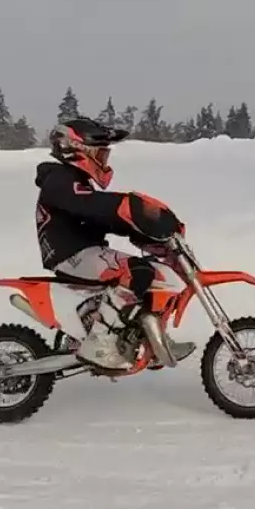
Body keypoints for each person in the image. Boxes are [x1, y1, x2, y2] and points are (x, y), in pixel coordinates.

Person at [34, 116, 196, 370]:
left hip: (83, 251)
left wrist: (146, 235)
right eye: (101, 153)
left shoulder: (74, 181)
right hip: (71, 254)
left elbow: (102, 219)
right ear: (79, 149)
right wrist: (132, 207)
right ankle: (102, 344)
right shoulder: (60, 180)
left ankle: (149, 339)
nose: (104, 160)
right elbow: (95, 207)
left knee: (152, 271)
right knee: (137, 272)